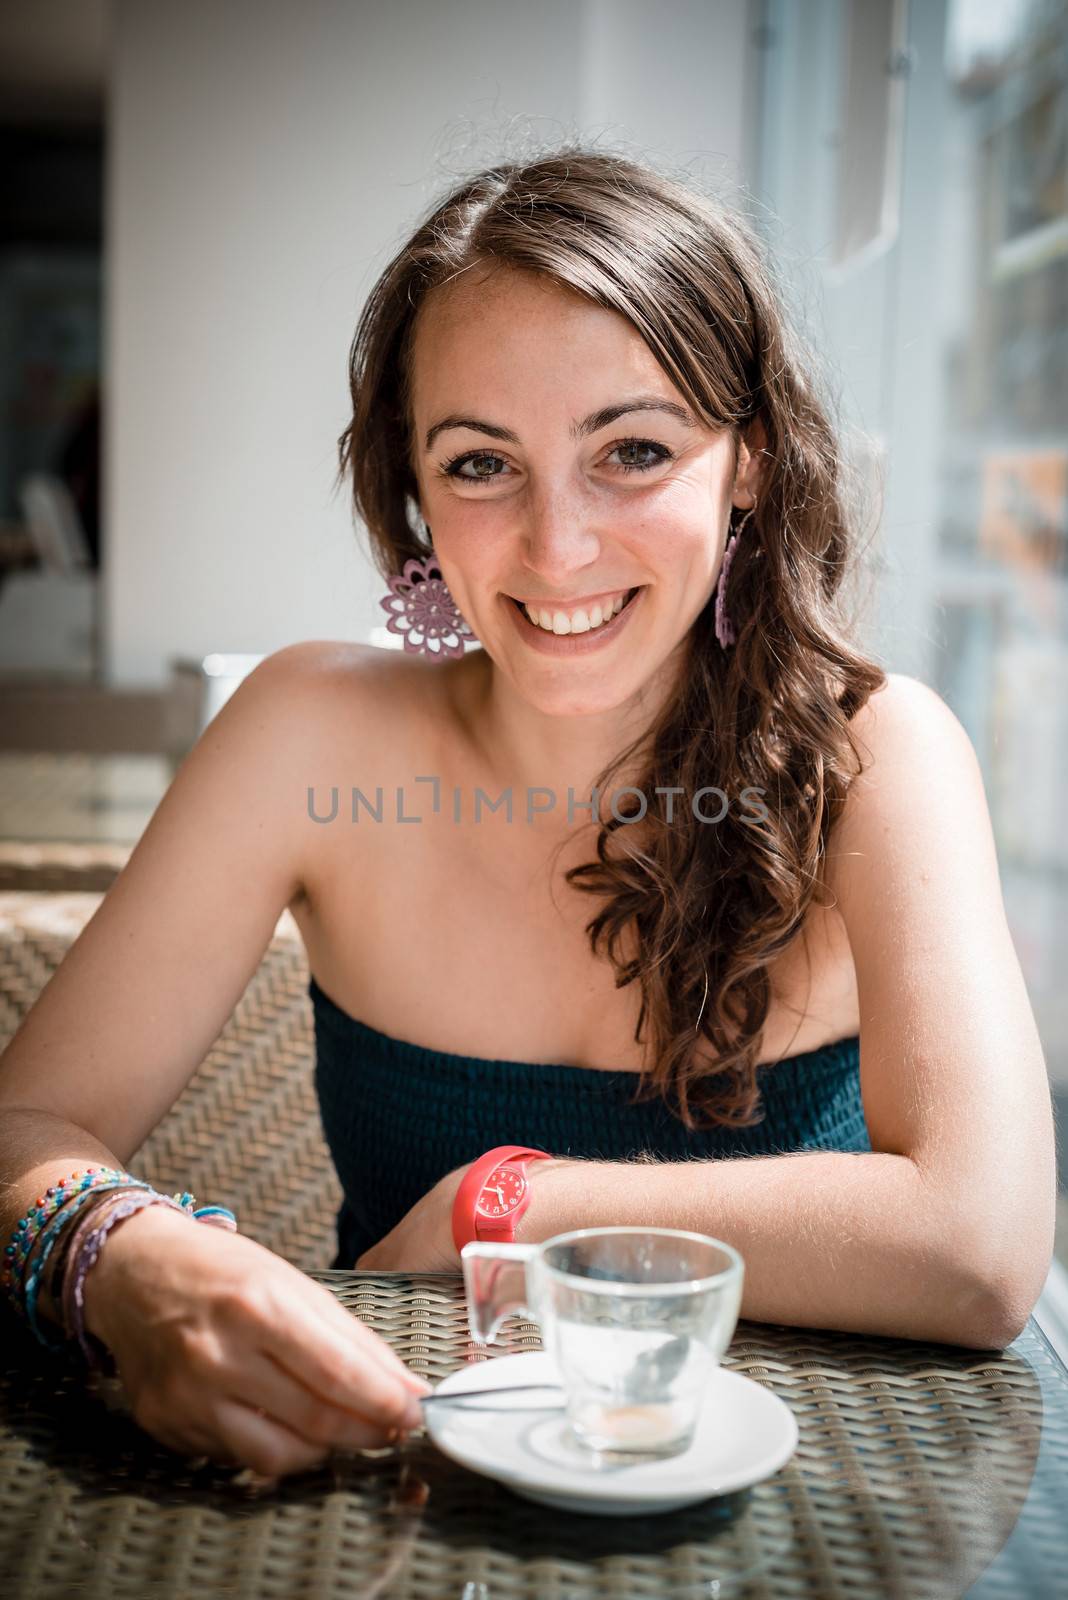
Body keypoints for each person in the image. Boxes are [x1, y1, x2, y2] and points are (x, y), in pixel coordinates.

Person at [0, 147, 1056, 1481]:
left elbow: (982, 1246)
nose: (558, 548)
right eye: (481, 463)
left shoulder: (878, 755)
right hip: (396, 1497)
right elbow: (21, 1128)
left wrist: (501, 1206)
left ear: (748, 464)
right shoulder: (301, 733)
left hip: (817, 1515)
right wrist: (118, 1256)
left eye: (633, 450)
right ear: (414, 493)